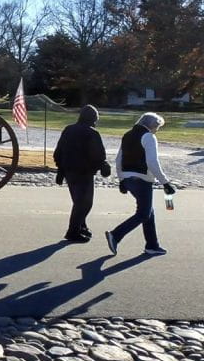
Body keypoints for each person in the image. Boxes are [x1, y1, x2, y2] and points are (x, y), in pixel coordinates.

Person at [106, 112, 175, 257]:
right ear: (152, 125)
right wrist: (165, 182)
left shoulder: (127, 135)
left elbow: (119, 159)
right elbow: (152, 162)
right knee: (143, 213)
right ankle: (115, 235)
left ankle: (152, 245)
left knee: (148, 212)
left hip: (128, 178)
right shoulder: (149, 137)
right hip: (142, 179)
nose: (157, 130)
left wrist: (121, 180)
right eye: (157, 127)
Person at [53, 105, 111, 243]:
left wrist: (60, 170)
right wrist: (102, 165)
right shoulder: (92, 133)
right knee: (85, 203)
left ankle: (81, 227)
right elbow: (98, 155)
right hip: (84, 172)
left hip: (69, 171)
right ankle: (72, 231)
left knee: (78, 202)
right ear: (93, 119)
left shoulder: (68, 129)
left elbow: (58, 152)